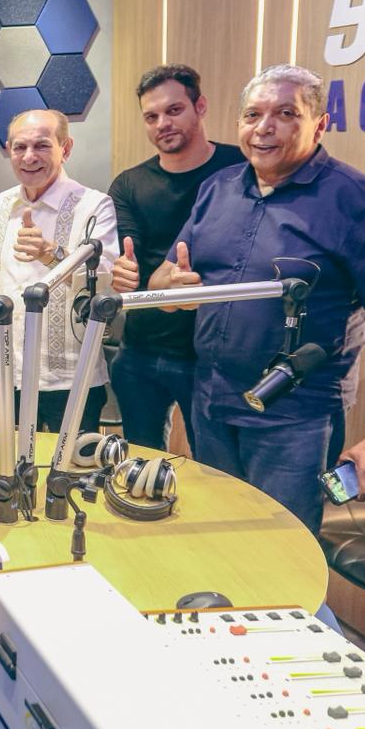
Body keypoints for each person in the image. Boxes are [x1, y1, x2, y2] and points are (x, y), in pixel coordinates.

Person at [149, 64, 365, 534]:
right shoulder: (218, 188)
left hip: (295, 420)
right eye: (252, 115)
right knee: (218, 536)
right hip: (211, 404)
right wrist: (168, 286)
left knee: (282, 548)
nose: (264, 127)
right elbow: (167, 279)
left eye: (286, 114)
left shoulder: (357, 200)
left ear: (319, 125)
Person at [108, 65, 245, 451]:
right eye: (151, 116)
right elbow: (128, 262)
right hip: (141, 349)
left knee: (215, 467)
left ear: (200, 107)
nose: (162, 124)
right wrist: (122, 274)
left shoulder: (240, 170)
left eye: (174, 110)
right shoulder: (129, 184)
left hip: (214, 357)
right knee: (141, 465)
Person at [0, 109, 118, 433]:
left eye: (42, 146)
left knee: (74, 463)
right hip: (5, 372)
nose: (29, 157)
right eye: (20, 147)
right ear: (8, 149)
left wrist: (50, 254)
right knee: (8, 461)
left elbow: (105, 285)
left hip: (70, 377)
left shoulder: (94, 206)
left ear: (66, 148)